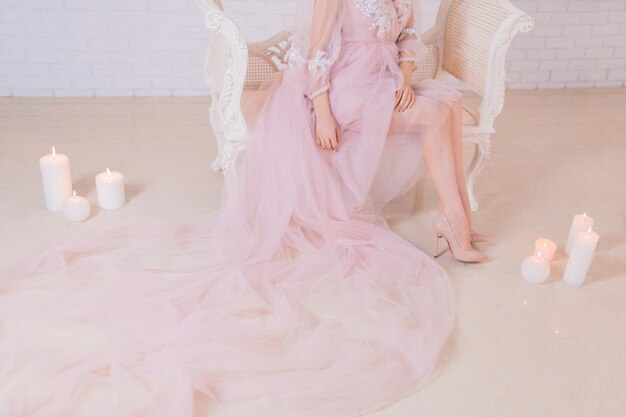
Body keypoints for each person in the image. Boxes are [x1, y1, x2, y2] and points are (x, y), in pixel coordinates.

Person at [0, 1, 484, 416]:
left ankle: (456, 221)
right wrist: (320, 111)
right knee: (437, 114)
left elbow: (407, 43)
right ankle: (457, 227)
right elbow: (313, 52)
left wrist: (403, 80)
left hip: (381, 83)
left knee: (446, 106)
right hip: (343, 91)